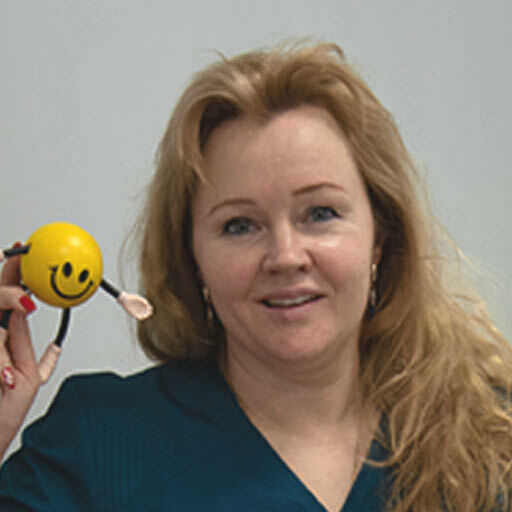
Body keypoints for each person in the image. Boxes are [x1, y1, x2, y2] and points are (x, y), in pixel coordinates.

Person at [0, 41, 510, 512]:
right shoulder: (99, 443)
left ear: (380, 235)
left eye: (321, 213)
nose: (286, 256)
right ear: (191, 255)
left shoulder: (491, 438)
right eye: (239, 225)